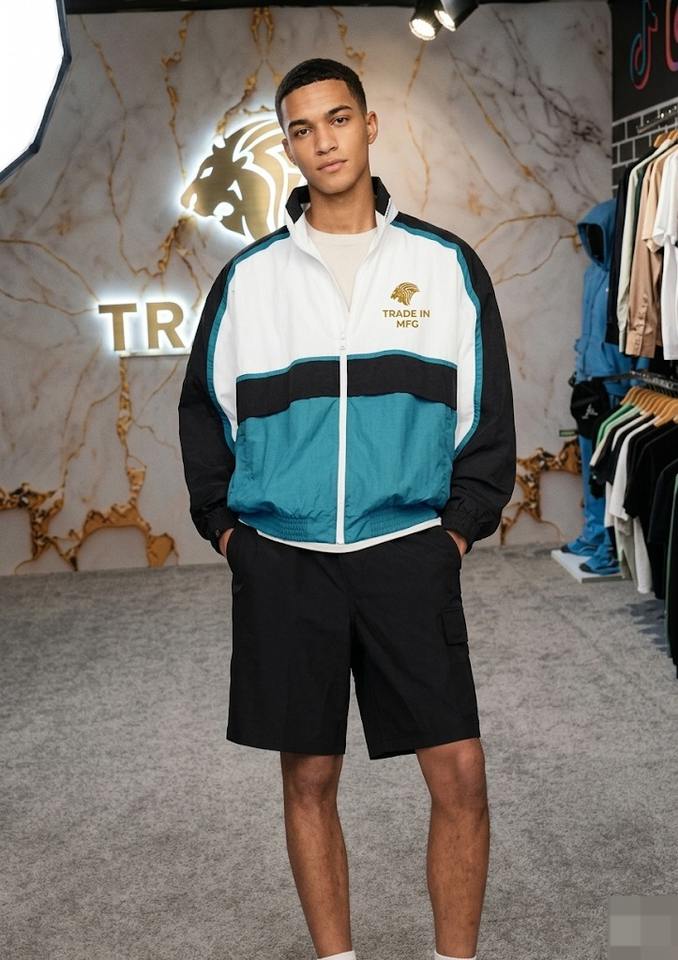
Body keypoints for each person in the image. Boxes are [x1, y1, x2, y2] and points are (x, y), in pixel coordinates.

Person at [178, 57, 516, 960]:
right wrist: (230, 533)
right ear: (287, 147)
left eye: (337, 119)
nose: (322, 141)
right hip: (285, 560)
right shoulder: (249, 279)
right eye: (301, 128)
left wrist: (455, 531)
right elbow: (204, 412)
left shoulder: (444, 266)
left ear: (369, 126)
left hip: (407, 547)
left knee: (461, 773)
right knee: (309, 777)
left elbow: (486, 415)